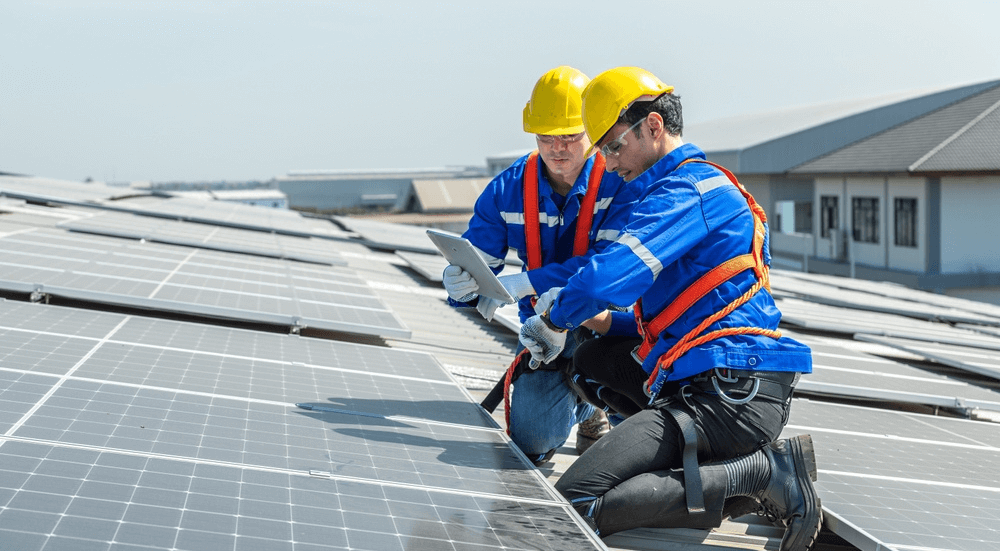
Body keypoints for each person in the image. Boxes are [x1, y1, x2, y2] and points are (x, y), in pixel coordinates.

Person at [517, 67, 822, 550]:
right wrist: (600, 320)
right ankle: (709, 469)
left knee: (575, 503)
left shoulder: (689, 191)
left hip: (727, 397)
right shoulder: (680, 188)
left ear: (654, 127)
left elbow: (611, 273)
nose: (610, 163)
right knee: (594, 357)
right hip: (709, 384)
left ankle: (765, 473)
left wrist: (557, 316)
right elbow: (682, 310)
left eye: (613, 147)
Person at [442, 66, 641, 464]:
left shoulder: (621, 182)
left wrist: (525, 282)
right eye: (546, 136)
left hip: (605, 323)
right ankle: (583, 401)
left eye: (570, 136)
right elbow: (481, 260)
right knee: (532, 441)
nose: (558, 148)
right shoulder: (507, 189)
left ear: (594, 131)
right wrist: (461, 283)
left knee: (637, 419)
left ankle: (593, 403)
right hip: (541, 328)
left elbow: (607, 271)